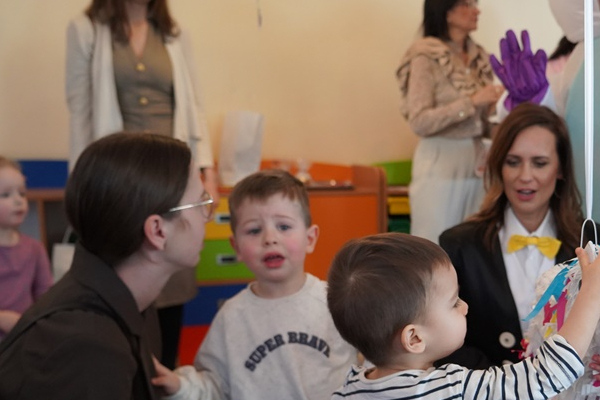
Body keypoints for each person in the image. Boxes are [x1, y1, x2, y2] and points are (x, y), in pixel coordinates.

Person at [0, 133, 213, 399]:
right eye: (201, 203)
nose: (207, 217)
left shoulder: (132, 304)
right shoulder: (86, 347)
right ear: (158, 231)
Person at [65, 0, 219, 368]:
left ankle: (166, 374)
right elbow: (79, 111)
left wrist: (208, 171)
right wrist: (83, 180)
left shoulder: (174, 33)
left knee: (175, 270)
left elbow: (195, 105)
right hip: (124, 181)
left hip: (174, 175)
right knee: (129, 270)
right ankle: (127, 369)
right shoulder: (87, 29)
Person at [152, 169, 358, 400]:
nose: (269, 238)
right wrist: (179, 386)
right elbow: (214, 387)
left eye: (283, 227)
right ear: (236, 247)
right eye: (254, 230)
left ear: (310, 238)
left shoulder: (338, 303)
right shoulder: (231, 317)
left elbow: (374, 366)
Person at [326, 232, 600, 399]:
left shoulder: (346, 390)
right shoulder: (452, 389)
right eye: (454, 302)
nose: (465, 307)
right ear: (415, 338)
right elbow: (546, 375)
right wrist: (591, 292)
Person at [437, 103, 594, 368]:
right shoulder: (458, 245)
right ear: (499, 166)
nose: (525, 176)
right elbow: (442, 342)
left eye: (540, 163)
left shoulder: (592, 241)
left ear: (560, 169)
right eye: (513, 162)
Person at [396, 0, 503, 244]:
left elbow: (486, 123)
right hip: (439, 164)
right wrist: (472, 102)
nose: (476, 10)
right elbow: (419, 121)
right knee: (435, 245)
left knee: (475, 245)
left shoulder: (480, 57)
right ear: (445, 11)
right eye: (467, 4)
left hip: (479, 164)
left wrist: (499, 108)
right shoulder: (425, 55)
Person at [0, 157, 52, 341]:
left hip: (25, 339)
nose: (18, 201)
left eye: (22, 193)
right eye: (5, 195)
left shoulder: (35, 249)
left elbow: (46, 296)